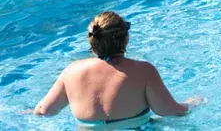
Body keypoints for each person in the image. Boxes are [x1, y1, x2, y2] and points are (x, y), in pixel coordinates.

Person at [34, 11, 197, 128]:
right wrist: (192, 105)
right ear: (126, 38)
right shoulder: (144, 71)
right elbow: (170, 111)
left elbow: (45, 110)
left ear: (92, 40)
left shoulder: (71, 71)